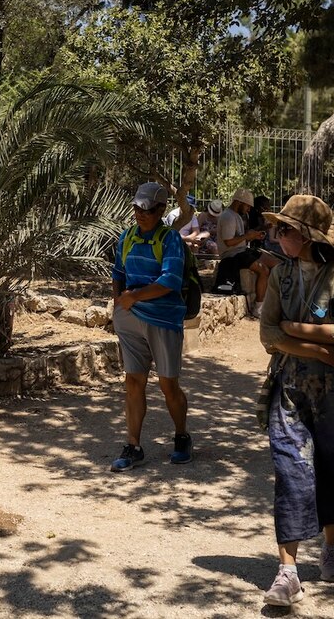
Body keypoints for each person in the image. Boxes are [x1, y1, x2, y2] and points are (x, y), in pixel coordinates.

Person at [257, 195, 334, 607]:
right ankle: (288, 572)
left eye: (285, 230)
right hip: (291, 387)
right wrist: (314, 346)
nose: (277, 236)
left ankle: (330, 551)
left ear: (308, 236)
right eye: (277, 229)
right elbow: (266, 336)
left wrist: (290, 333)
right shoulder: (281, 275)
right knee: (290, 471)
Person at [110, 182, 192, 471]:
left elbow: (170, 280)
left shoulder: (170, 240)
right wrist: (119, 303)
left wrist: (133, 297)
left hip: (163, 319)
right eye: (136, 208)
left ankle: (182, 437)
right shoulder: (127, 237)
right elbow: (118, 272)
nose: (140, 214)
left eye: (147, 209)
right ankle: (133, 445)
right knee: (133, 381)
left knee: (168, 384)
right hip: (130, 317)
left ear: (160, 210)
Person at [214, 188, 270, 314]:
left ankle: (269, 302)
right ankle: (258, 307)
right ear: (240, 202)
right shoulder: (228, 216)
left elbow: (239, 237)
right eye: (248, 206)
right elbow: (228, 242)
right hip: (233, 255)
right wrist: (247, 236)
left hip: (242, 251)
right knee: (264, 270)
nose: (249, 210)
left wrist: (253, 235)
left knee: (275, 262)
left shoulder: (236, 216)